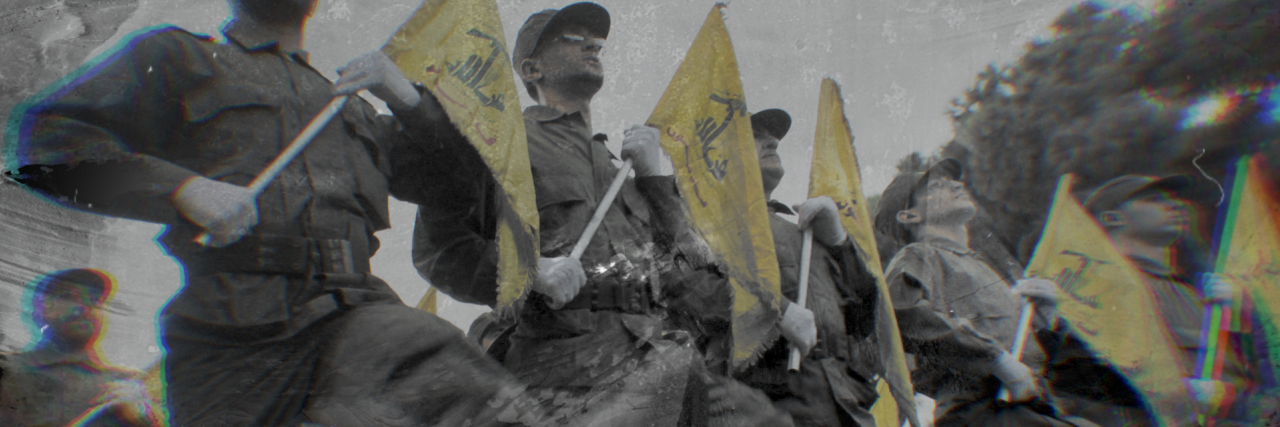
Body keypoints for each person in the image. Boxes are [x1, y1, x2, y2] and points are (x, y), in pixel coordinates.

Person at [4, 0, 548, 425]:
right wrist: (180, 187)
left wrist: (409, 101)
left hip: (353, 312)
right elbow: (41, 145)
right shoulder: (179, 60)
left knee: (477, 404)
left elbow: (461, 192)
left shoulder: (349, 106)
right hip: (231, 329)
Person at [409, 3, 792, 426]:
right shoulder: (502, 146)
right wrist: (529, 271)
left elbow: (660, 268)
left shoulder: (617, 166)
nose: (592, 46)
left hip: (652, 358)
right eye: (572, 40)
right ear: (532, 69)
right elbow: (440, 251)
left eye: (596, 42)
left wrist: (652, 178)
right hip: (563, 371)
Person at [657, 108, 881, 426]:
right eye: (753, 137)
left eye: (772, 137)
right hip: (766, 401)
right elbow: (672, 285)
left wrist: (840, 244)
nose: (772, 141)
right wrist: (772, 311)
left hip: (843, 403)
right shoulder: (702, 222)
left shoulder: (805, 233)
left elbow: (863, 319)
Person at [873, 159, 1088, 426]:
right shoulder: (920, 255)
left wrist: (1043, 321)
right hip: (980, 411)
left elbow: (1028, 360)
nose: (955, 184)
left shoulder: (980, 268)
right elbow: (897, 312)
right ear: (909, 216)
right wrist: (993, 359)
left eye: (952, 181)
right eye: (936, 185)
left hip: (1032, 408)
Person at [1068, 175, 1279, 425]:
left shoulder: (1200, 294)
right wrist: (1177, 394)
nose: (1175, 205)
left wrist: (1250, 310)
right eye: (1153, 200)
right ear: (1113, 218)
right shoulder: (1097, 291)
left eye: (1174, 199)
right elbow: (1076, 374)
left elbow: (1256, 382)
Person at [0, 269, 160, 427]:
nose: (85, 307)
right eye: (69, 297)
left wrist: (143, 420)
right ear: (43, 310)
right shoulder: (8, 369)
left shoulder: (131, 384)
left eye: (95, 299)